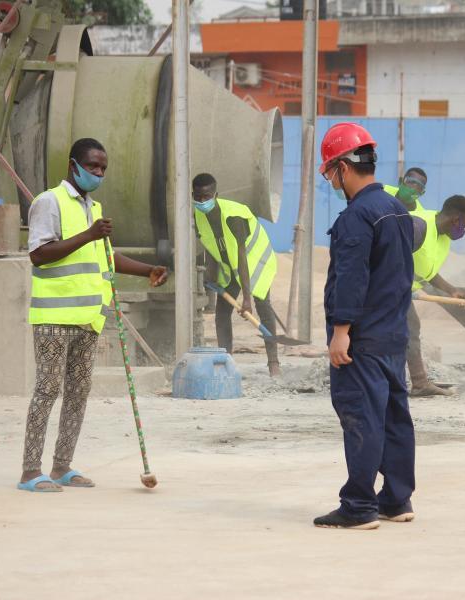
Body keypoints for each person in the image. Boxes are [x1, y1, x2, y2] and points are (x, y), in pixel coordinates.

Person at [18, 138, 169, 492]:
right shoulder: (49, 202)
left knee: (78, 392)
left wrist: (146, 270)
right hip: (54, 318)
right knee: (47, 390)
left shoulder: (93, 207)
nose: (99, 173)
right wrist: (88, 234)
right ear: (74, 166)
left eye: (103, 168)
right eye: (93, 167)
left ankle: (61, 467)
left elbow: (105, 255)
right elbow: (39, 254)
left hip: (88, 318)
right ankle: (29, 471)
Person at [314, 122, 416, 530]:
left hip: (363, 341)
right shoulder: (397, 211)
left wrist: (341, 331)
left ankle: (358, 505)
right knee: (394, 417)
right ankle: (396, 499)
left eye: (329, 172)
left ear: (342, 166)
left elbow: (352, 279)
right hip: (393, 336)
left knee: (362, 417)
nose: (331, 182)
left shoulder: (357, 217)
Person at [191, 173, 281, 377]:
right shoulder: (198, 215)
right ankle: (226, 360)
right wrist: (211, 275)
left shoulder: (233, 216)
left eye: (207, 197)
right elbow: (210, 245)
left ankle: (273, 363)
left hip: (254, 261)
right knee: (222, 312)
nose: (202, 202)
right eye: (198, 197)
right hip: (229, 265)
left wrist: (247, 299)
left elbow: (242, 257)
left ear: (216, 194)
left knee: (263, 306)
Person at [408, 195, 465, 397]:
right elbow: (386, 255)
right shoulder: (418, 226)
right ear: (456, 220)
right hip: (386, 286)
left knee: (409, 329)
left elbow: (428, 272)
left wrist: (450, 289)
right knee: (405, 330)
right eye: (464, 226)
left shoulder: (442, 237)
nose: (463, 232)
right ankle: (415, 383)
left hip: (401, 288)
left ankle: (418, 383)